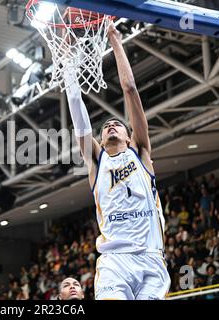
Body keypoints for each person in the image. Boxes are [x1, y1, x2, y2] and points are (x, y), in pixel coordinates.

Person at [62, 22, 170, 300]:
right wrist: (69, 63)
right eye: (105, 126)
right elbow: (75, 104)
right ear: (99, 139)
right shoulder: (96, 161)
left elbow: (130, 88)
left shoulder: (140, 152)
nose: (111, 126)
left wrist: (116, 41)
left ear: (128, 134)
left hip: (151, 259)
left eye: (117, 124)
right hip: (114, 263)